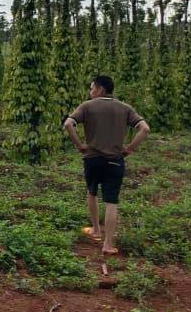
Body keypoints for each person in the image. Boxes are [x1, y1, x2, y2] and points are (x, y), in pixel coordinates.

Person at [63, 75, 150, 256]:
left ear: (101, 90)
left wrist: (80, 145)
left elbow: (69, 123)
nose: (90, 92)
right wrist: (129, 149)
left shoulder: (87, 106)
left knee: (92, 192)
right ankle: (108, 245)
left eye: (92, 88)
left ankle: (96, 230)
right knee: (111, 201)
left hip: (92, 158)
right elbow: (144, 128)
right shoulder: (125, 108)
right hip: (115, 160)